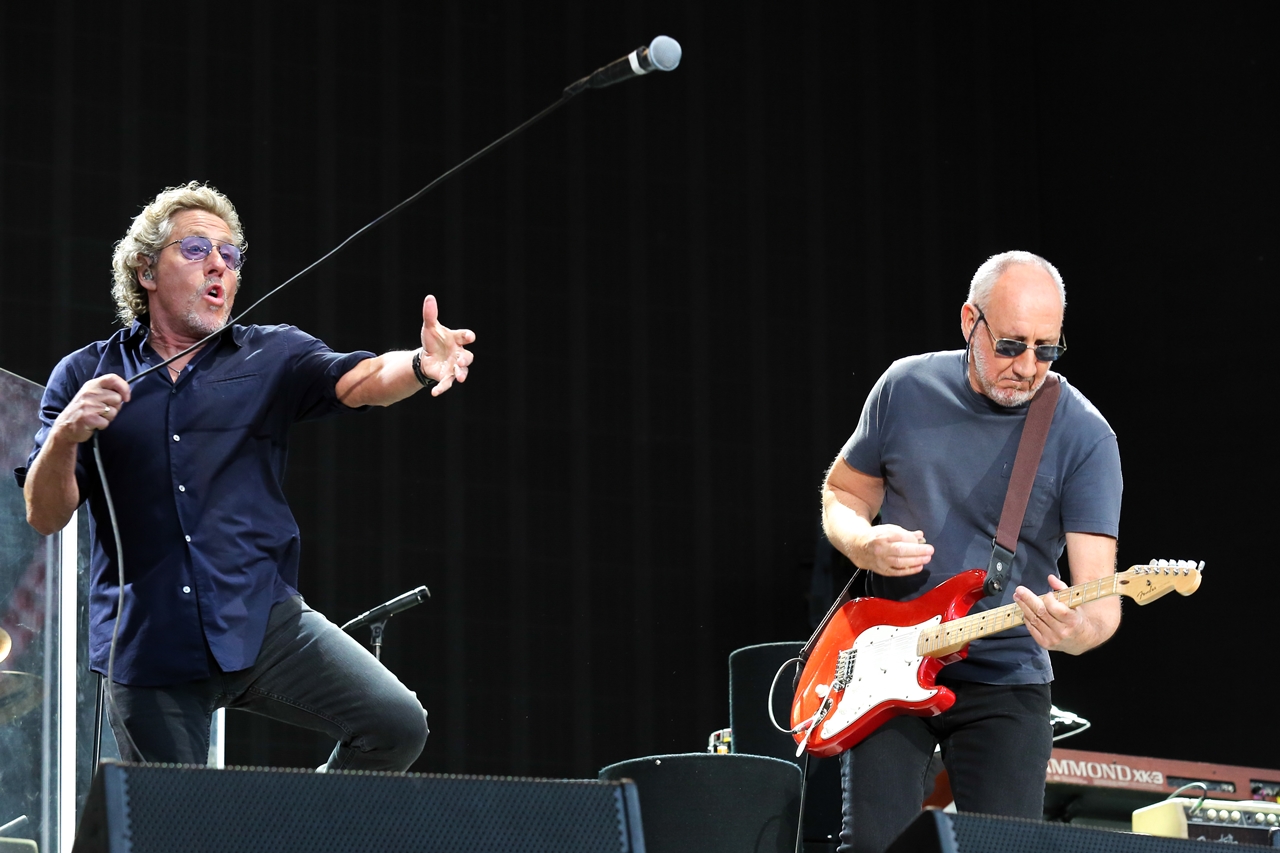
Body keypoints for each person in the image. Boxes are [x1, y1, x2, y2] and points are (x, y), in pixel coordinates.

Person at [15, 181, 475, 770]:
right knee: (173, 818)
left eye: (230, 255)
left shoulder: (271, 354)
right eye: (196, 249)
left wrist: (419, 364)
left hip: (263, 619)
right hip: (147, 641)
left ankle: (299, 822)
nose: (218, 265)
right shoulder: (85, 373)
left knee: (396, 723)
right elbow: (44, 514)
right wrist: (65, 435)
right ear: (145, 270)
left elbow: (363, 381)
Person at [820, 251, 1121, 853]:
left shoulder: (1086, 435)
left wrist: (1073, 632)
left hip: (1006, 676)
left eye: (1046, 349)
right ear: (969, 321)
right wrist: (863, 543)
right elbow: (844, 492)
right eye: (1010, 345)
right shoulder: (905, 388)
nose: (1027, 367)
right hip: (891, 662)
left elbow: (1102, 607)